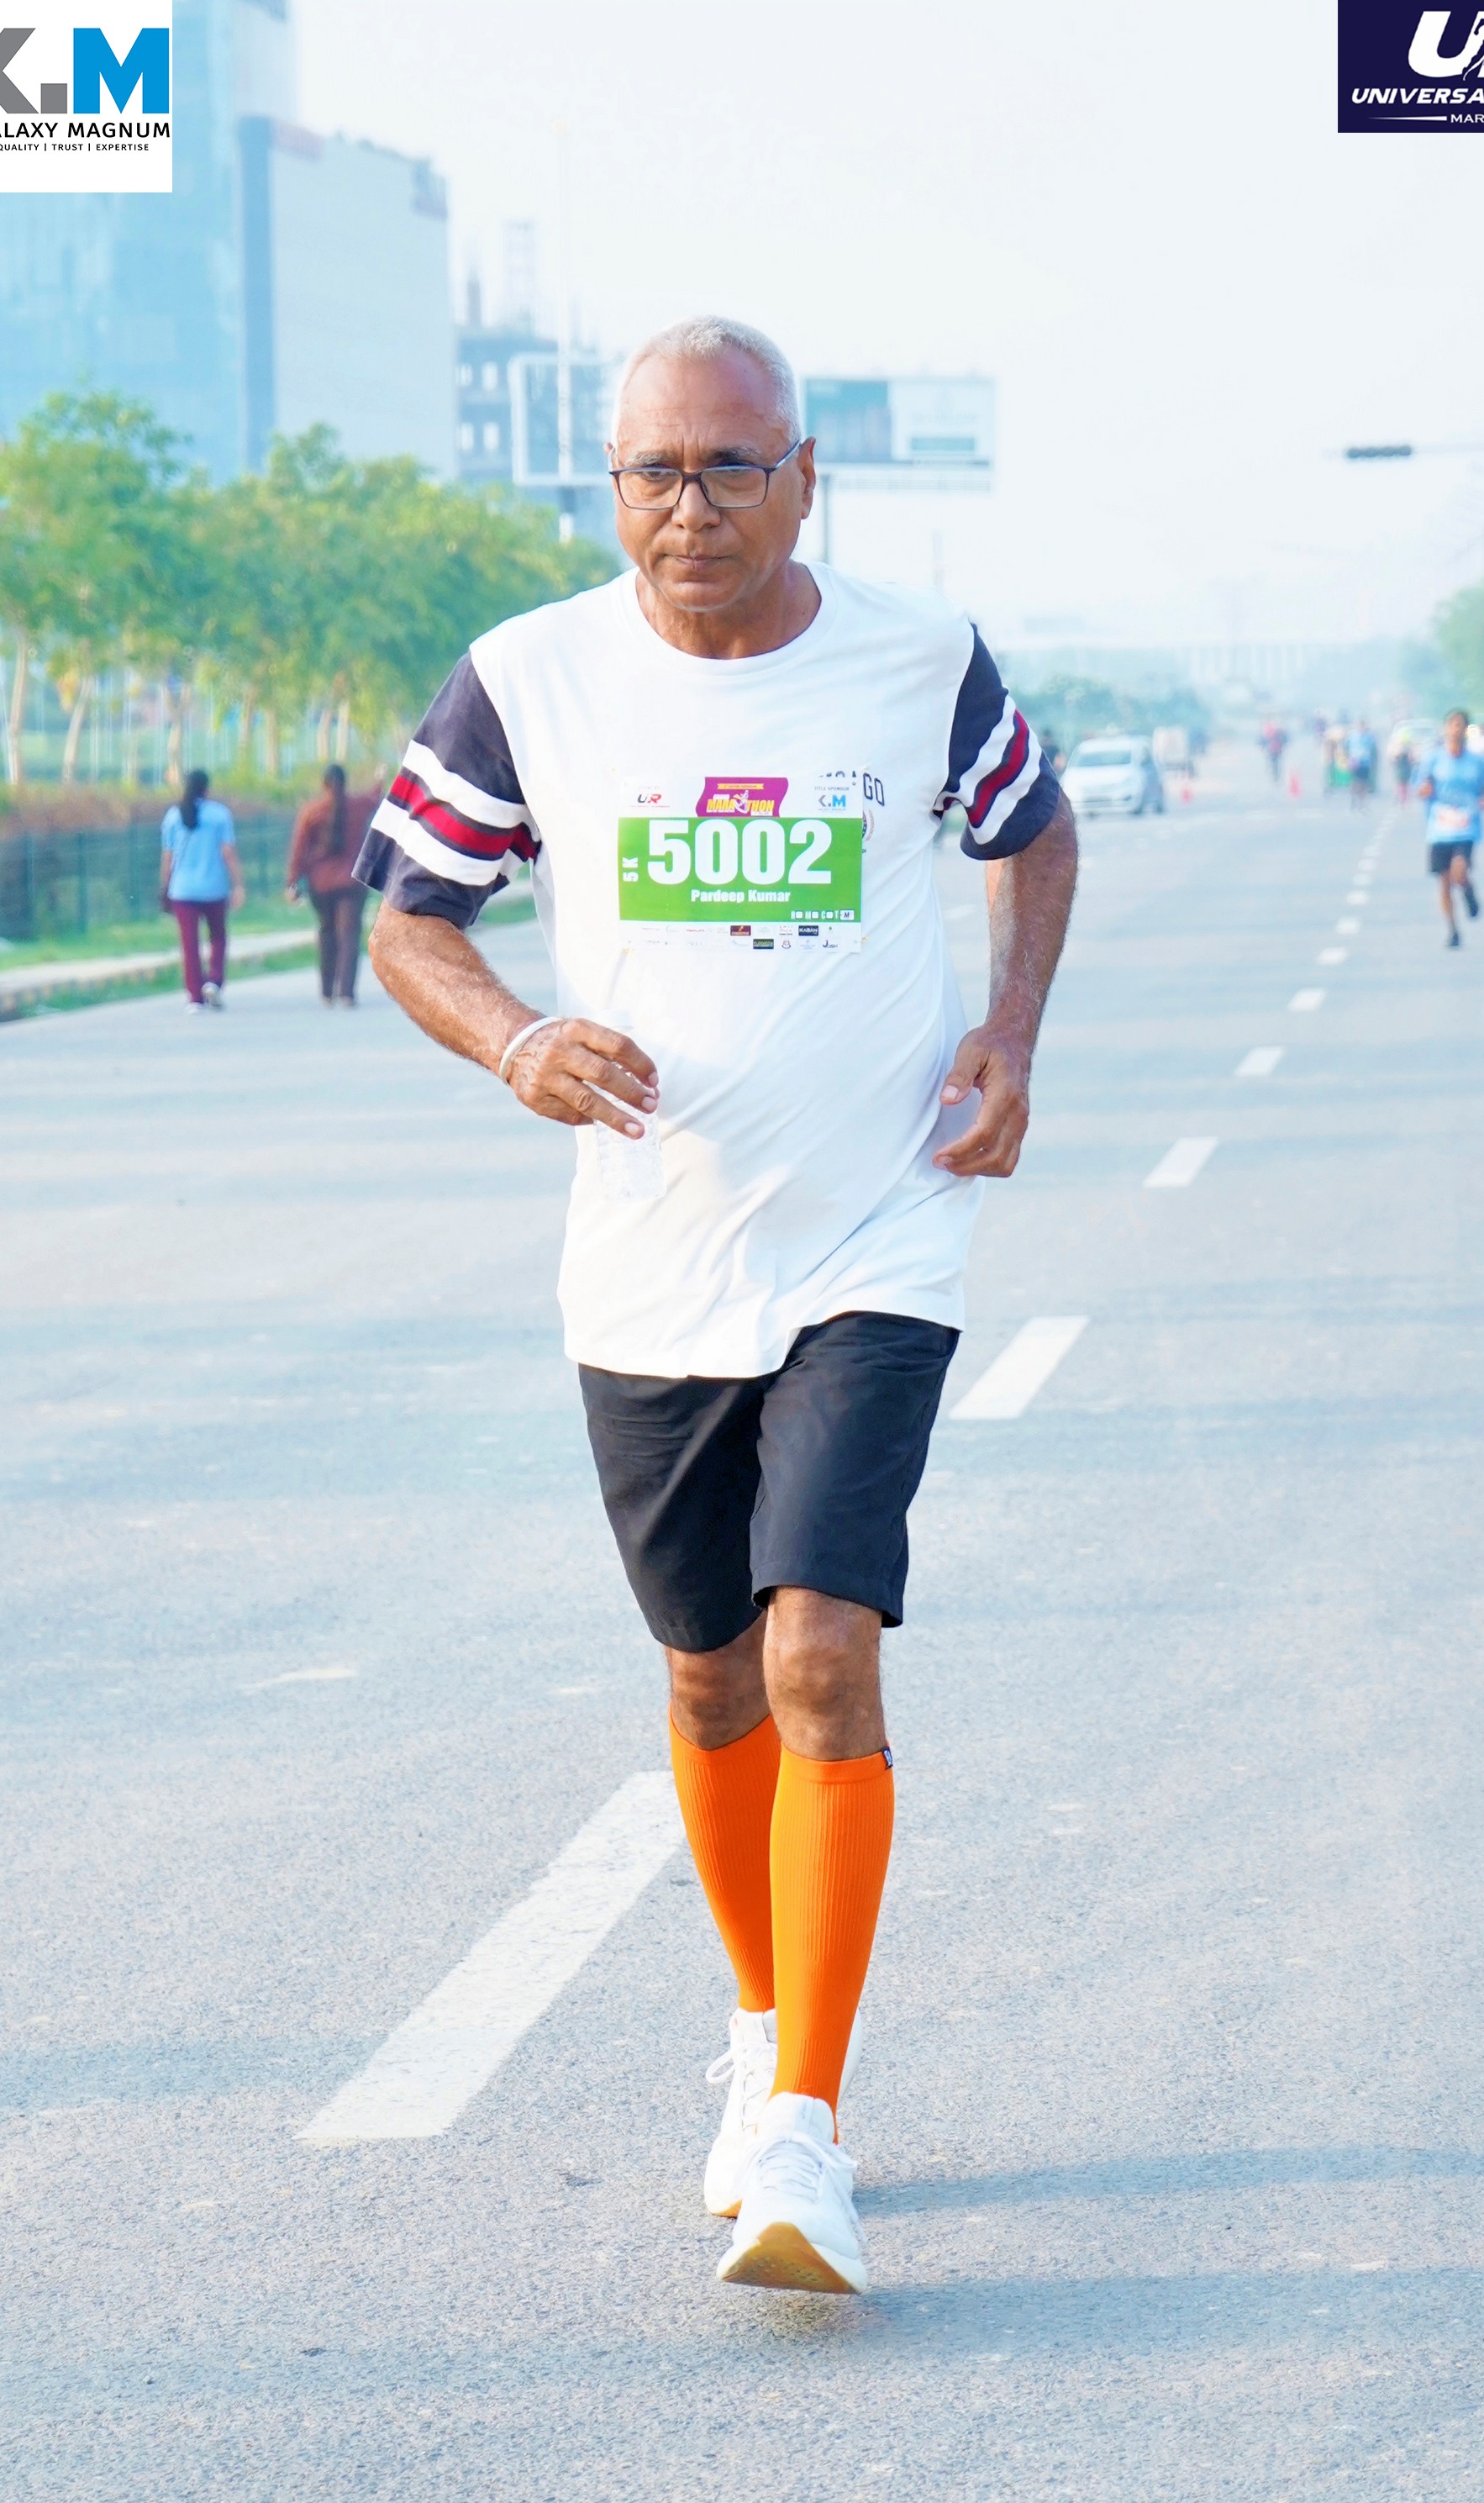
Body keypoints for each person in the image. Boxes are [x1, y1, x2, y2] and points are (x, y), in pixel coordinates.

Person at [360, 316, 1076, 2297]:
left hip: (876, 1237)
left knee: (818, 1651)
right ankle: (759, 2023)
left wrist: (1008, 1034)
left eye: (730, 469)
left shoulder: (919, 664)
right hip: (651, 1259)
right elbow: (410, 918)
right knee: (705, 1675)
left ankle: (803, 2130)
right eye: (654, 474)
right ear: (612, 487)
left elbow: (1031, 831)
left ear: (802, 479)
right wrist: (515, 1039)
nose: (691, 510)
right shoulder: (529, 678)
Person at [286, 762, 382, 1004]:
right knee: (349, 936)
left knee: (326, 932)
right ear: (345, 783)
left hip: (321, 884)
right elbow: (374, 799)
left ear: (324, 784)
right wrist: (379, 778)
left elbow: (299, 849)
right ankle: (346, 993)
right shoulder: (358, 806)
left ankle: (327, 991)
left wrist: (292, 882)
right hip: (352, 882)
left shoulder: (311, 811)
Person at [160, 769, 243, 1012]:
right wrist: (238, 884)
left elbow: (168, 857)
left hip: (182, 890)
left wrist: (165, 885)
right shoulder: (219, 815)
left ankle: (195, 998)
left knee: (190, 944)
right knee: (218, 937)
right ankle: (214, 981)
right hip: (214, 888)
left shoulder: (173, 816)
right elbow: (228, 852)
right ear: (207, 789)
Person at [1418, 708, 1484, 948]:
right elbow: (1421, 787)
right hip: (1439, 827)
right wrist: (1425, 791)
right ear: (1445, 728)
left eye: (1460, 725)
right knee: (1444, 882)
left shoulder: (1477, 763)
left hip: (1466, 827)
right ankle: (1452, 929)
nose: (1455, 730)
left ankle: (1468, 891)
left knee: (1459, 873)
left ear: (1466, 730)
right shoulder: (1432, 760)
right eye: (1452, 724)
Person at [1345, 718, 1377, 808]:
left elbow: (1373, 749)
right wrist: (1348, 759)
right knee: (1354, 781)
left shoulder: (1369, 737)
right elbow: (1346, 747)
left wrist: (1374, 762)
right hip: (1354, 761)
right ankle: (1353, 799)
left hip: (1365, 762)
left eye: (1362, 726)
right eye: (1359, 726)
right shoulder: (1351, 736)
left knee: (1364, 783)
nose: (1361, 727)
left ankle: (1362, 803)